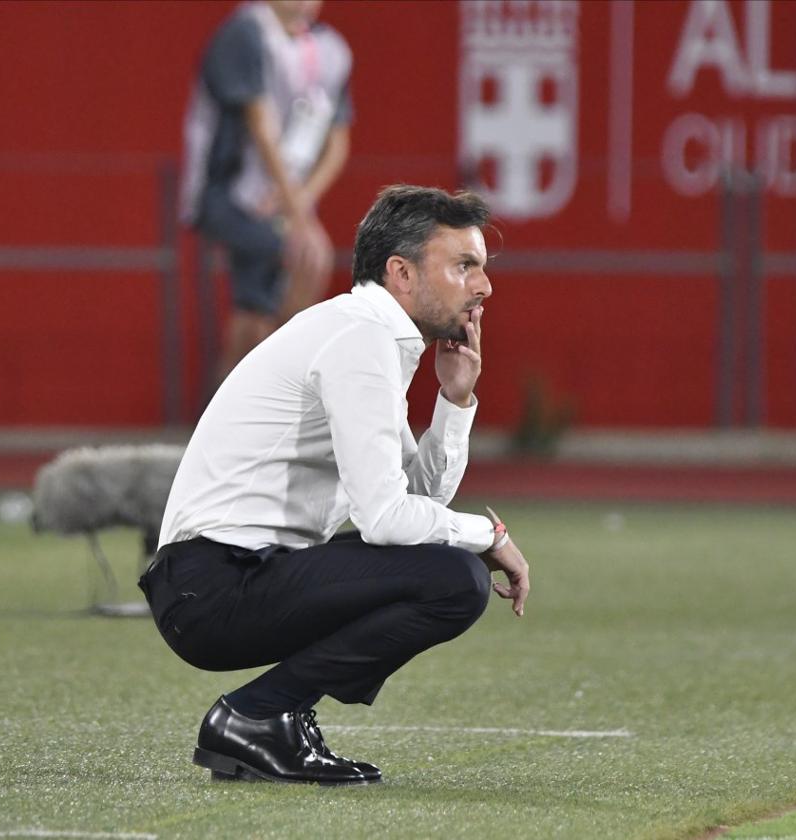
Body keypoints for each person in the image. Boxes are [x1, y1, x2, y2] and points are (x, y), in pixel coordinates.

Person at [140, 185, 531, 786]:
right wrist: (488, 535)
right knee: (455, 579)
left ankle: (268, 715)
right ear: (401, 273)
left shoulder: (367, 333)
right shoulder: (360, 338)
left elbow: (416, 508)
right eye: (464, 266)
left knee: (446, 567)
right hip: (213, 585)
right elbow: (386, 521)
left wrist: (454, 399)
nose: (484, 287)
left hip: (229, 575)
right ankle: (257, 714)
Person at [179, 0, 353, 387]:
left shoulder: (332, 51)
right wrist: (299, 218)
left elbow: (337, 144)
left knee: (259, 309)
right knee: (295, 254)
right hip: (226, 192)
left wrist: (299, 202)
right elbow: (261, 129)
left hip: (284, 202)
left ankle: (263, 386)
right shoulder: (245, 34)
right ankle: (263, 386)